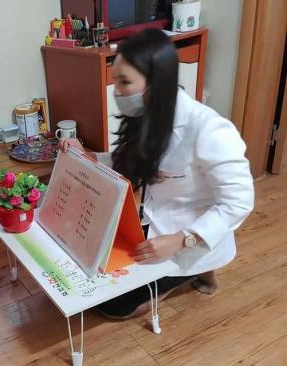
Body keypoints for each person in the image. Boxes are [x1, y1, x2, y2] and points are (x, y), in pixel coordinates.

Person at [60, 29, 254, 318]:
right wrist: (87, 157)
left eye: (125, 82)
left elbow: (238, 202)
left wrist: (181, 240)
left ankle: (195, 271)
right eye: (116, 81)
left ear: (155, 82)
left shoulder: (210, 130)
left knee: (115, 307)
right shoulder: (147, 114)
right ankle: (188, 272)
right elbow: (127, 159)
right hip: (155, 219)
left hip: (187, 237)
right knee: (95, 269)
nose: (117, 92)